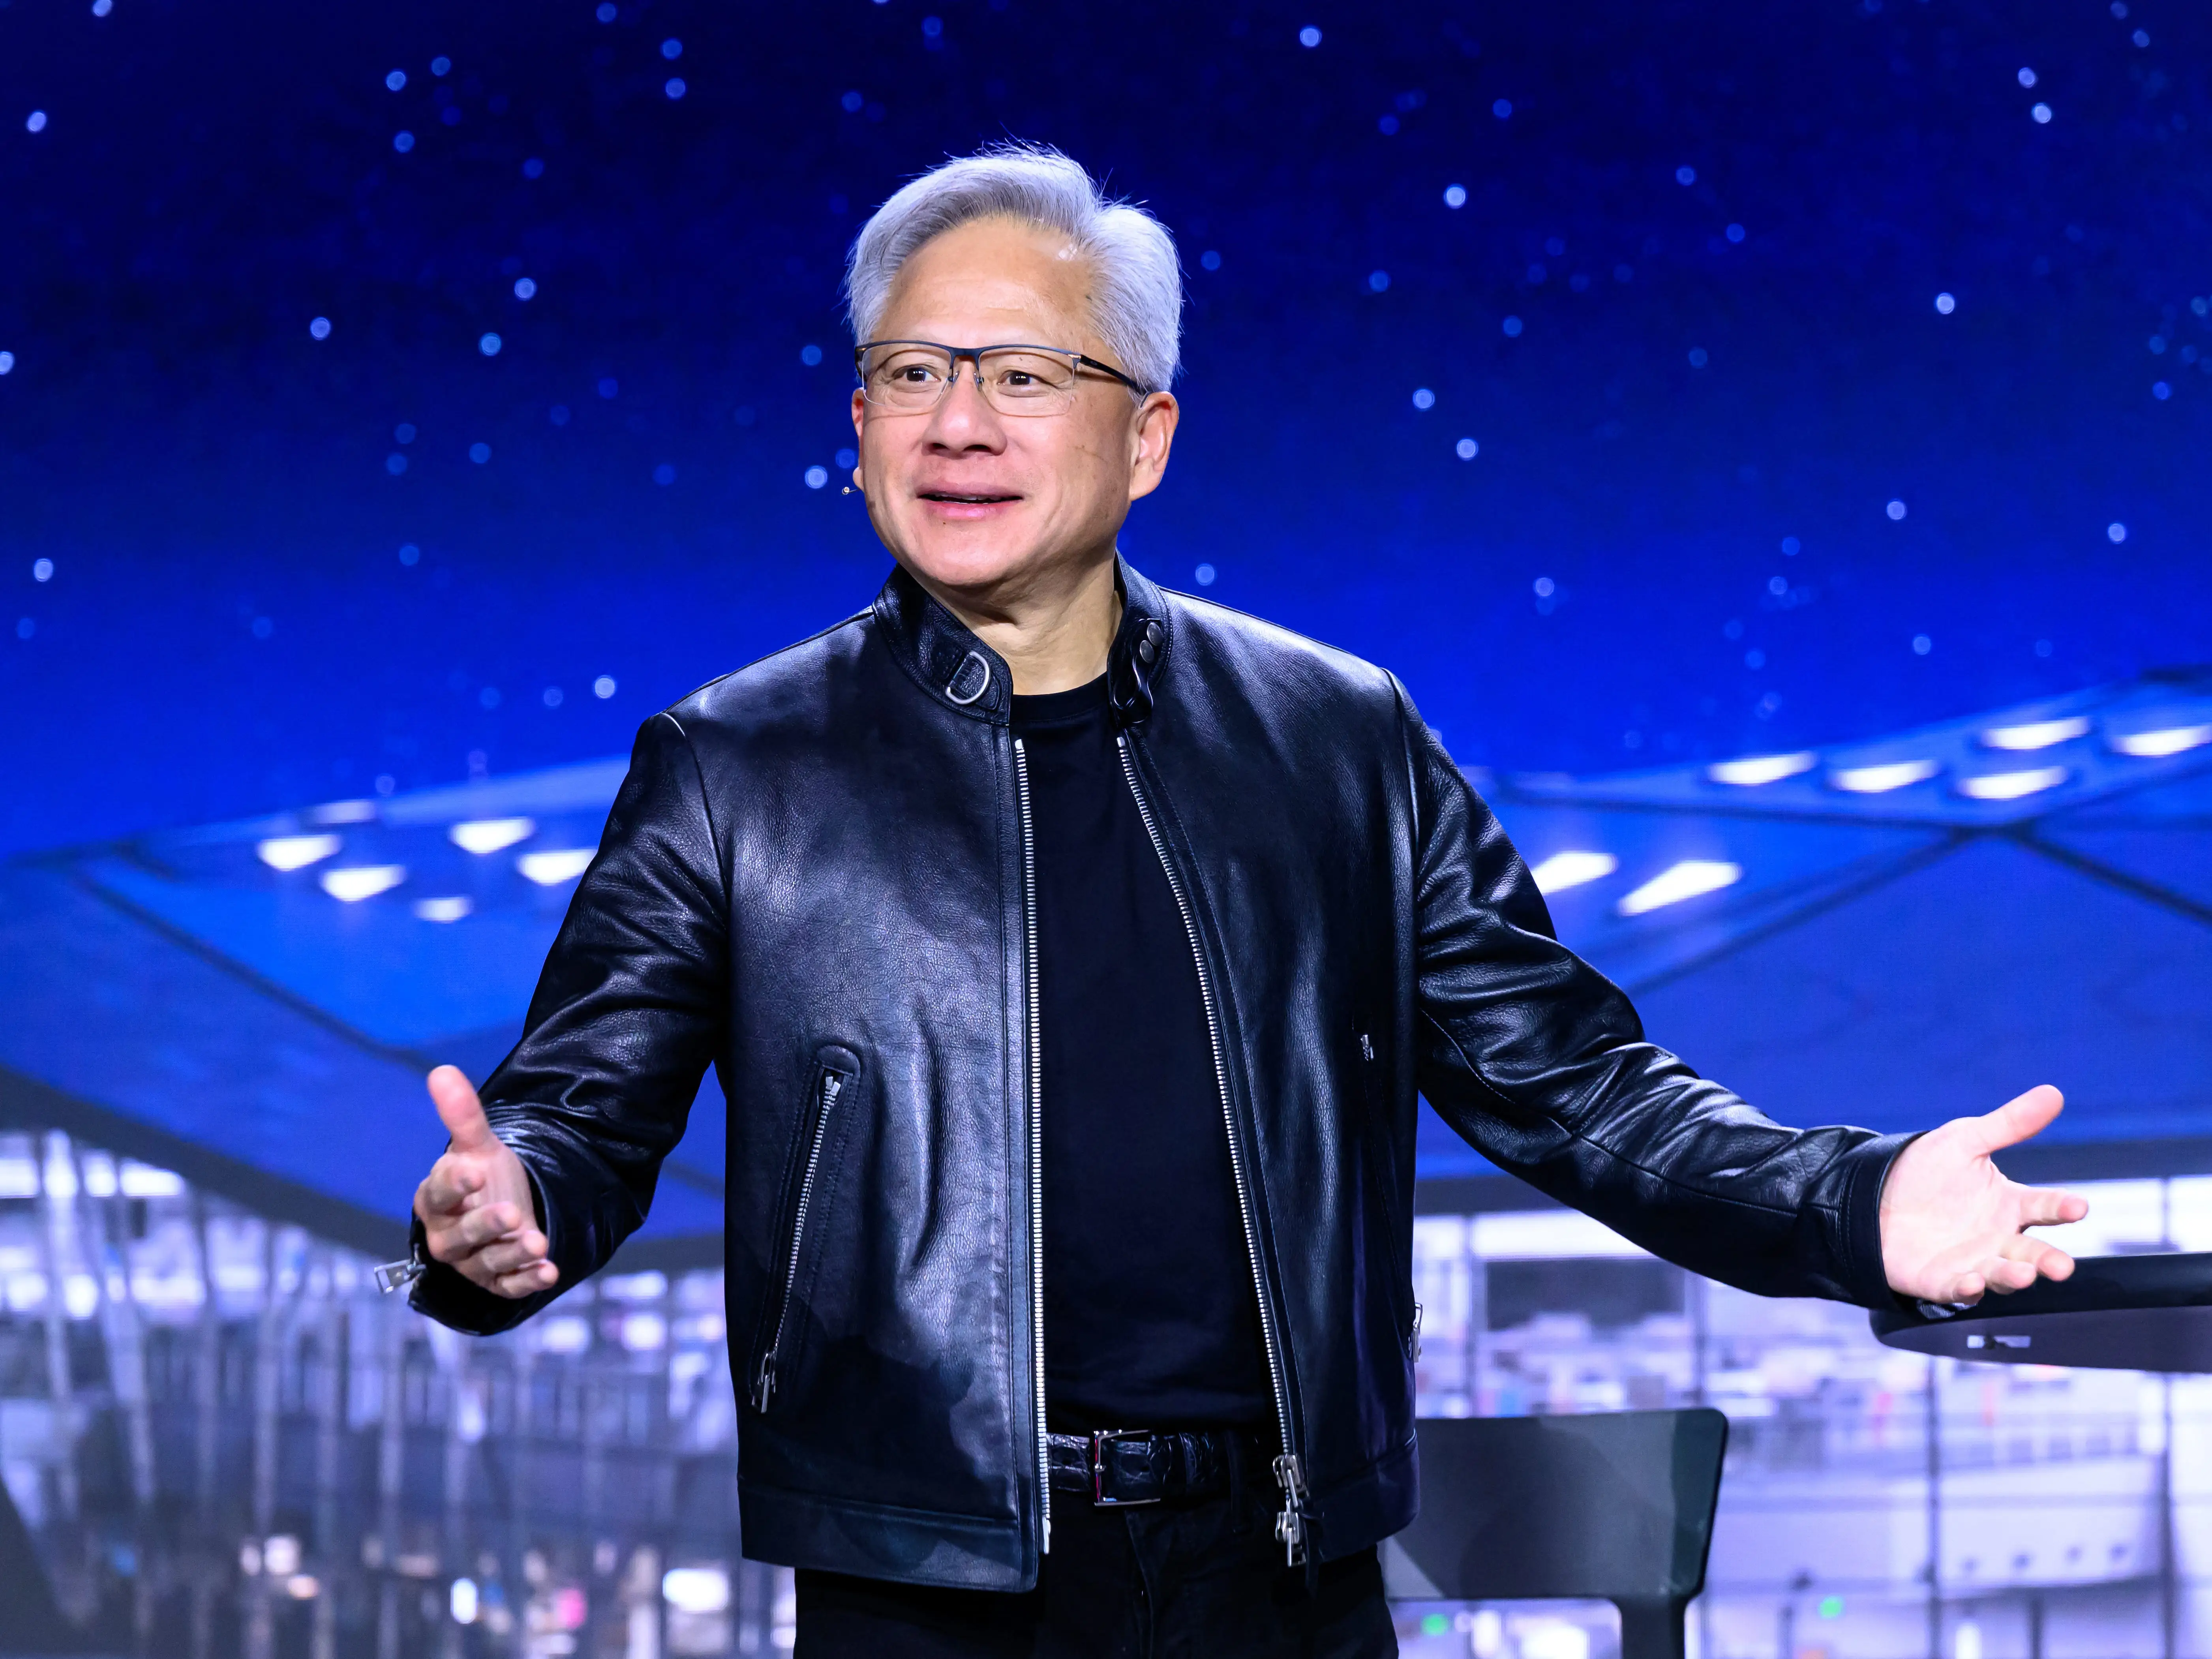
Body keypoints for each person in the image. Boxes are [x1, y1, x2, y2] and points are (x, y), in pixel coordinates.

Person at [401, 143, 2088, 1658]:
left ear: (1146, 435)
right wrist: (502, 1218)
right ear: (855, 428)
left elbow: (1572, 1085)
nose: (954, 422)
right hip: (919, 1588)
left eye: (1019, 374)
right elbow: (572, 1126)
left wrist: (1848, 1205)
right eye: (908, 373)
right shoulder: (734, 765)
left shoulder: (1334, 739)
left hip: (1278, 1580)